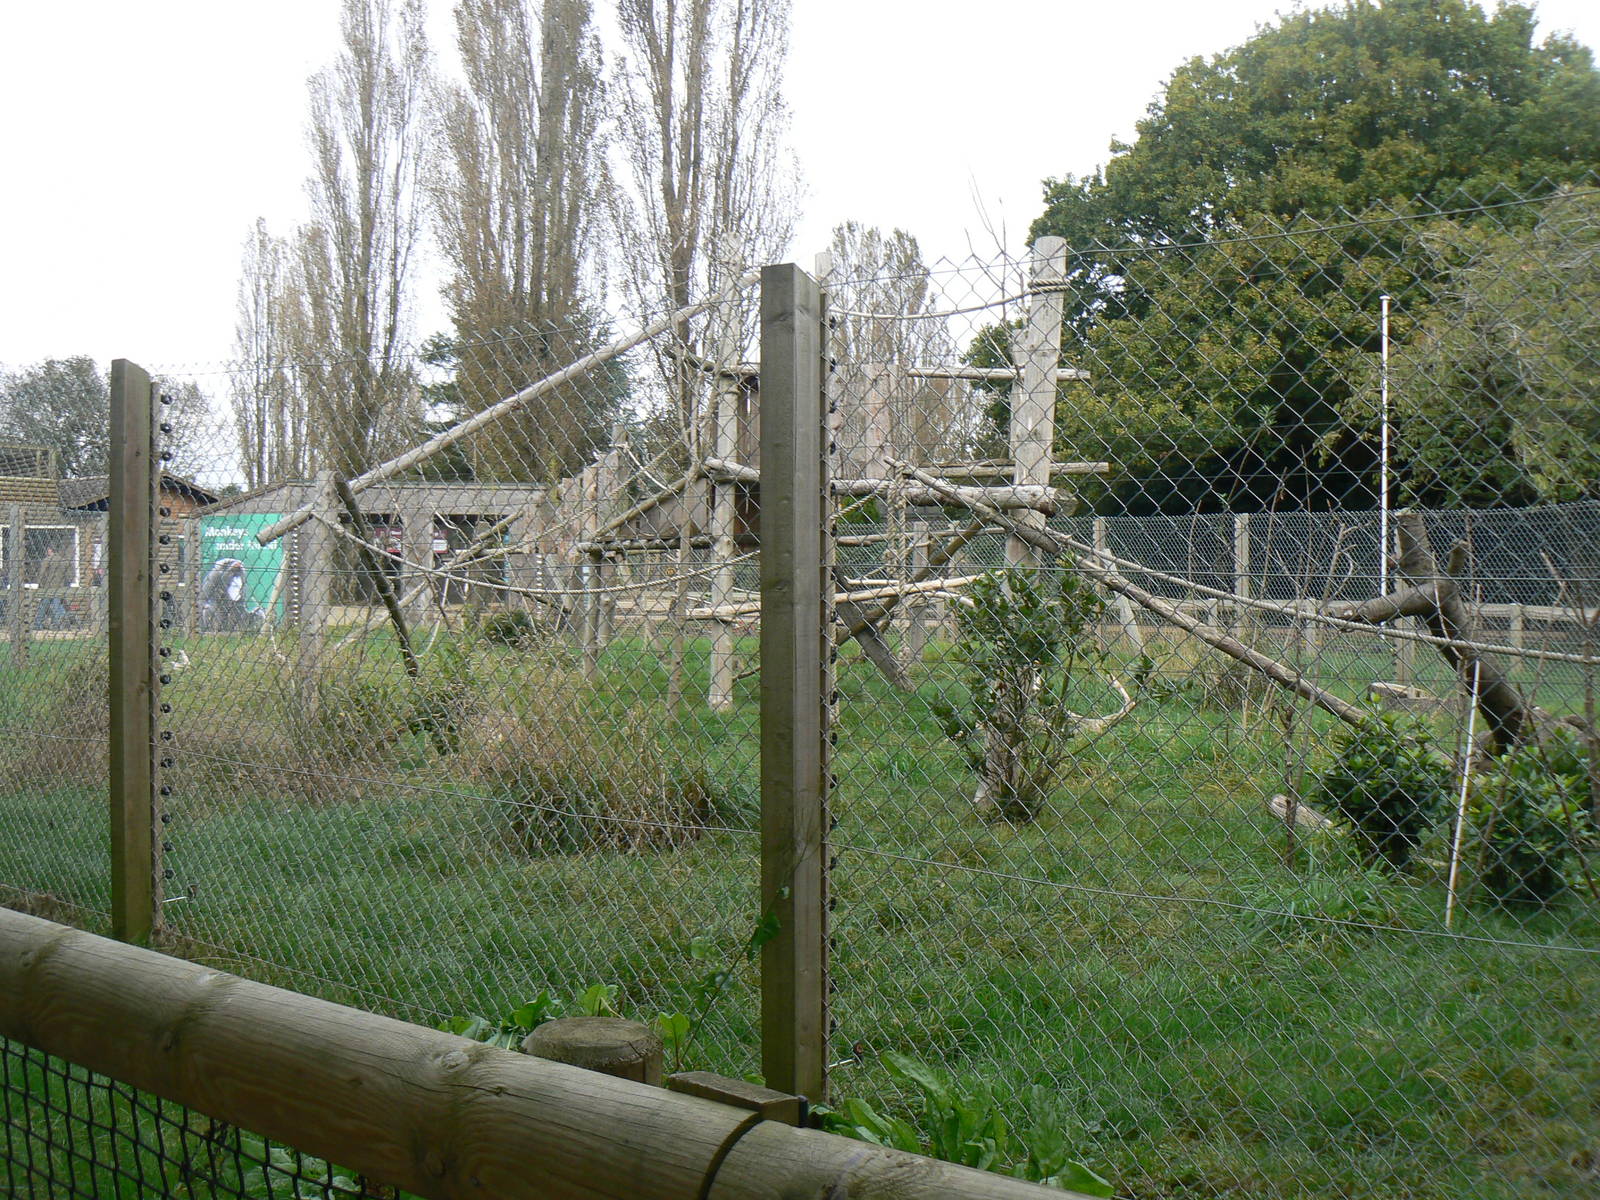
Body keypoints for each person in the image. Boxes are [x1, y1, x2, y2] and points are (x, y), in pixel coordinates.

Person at [35, 545, 70, 629]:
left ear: (50, 550)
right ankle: (62, 622)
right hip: (60, 587)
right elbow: (68, 575)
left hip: (48, 587)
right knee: (57, 605)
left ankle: (38, 624)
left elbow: (42, 574)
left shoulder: (47, 560)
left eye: (48, 550)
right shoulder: (64, 561)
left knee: (44, 605)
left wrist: (39, 585)